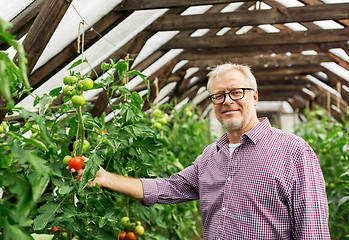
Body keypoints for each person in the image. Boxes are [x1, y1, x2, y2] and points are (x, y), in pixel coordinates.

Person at [70, 63, 330, 239]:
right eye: (219, 96)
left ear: (254, 97)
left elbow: (313, 230)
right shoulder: (211, 156)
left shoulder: (293, 151)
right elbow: (168, 188)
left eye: (236, 92)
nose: (227, 101)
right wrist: (104, 178)